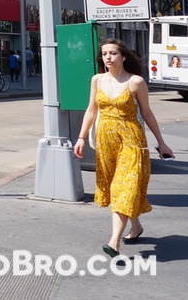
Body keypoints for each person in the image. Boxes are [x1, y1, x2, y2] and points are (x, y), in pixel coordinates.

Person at [73, 39, 175, 259]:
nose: (108, 58)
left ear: (124, 56)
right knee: (118, 190)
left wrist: (161, 142)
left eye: (113, 53)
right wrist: (81, 137)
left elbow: (147, 113)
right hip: (106, 141)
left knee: (124, 188)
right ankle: (135, 226)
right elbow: (91, 111)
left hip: (132, 141)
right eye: (104, 54)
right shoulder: (97, 80)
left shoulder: (136, 82)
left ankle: (114, 242)